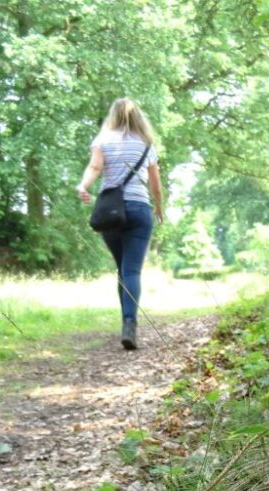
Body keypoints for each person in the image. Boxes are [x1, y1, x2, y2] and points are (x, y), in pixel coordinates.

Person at [77, 97, 164, 350]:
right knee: (131, 271)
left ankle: (126, 323)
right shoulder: (146, 144)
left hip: (111, 211)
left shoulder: (102, 140)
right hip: (139, 209)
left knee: (122, 269)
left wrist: (84, 186)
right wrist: (158, 207)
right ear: (138, 117)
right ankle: (129, 324)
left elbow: (94, 167)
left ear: (112, 116)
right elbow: (155, 184)